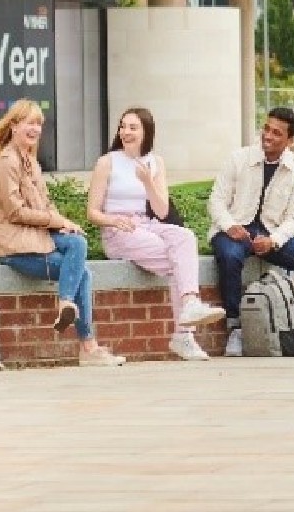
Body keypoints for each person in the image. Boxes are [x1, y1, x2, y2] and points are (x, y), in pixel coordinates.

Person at [0, 99, 123, 366]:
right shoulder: (6, 164)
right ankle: (87, 344)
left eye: (39, 124)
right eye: (30, 123)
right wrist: (54, 220)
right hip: (15, 247)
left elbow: (46, 205)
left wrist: (64, 222)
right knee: (82, 273)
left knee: (78, 242)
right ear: (14, 126)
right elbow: (15, 213)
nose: (36, 129)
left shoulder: (30, 162)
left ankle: (70, 311)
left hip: (36, 238)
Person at [87, 107, 227, 361]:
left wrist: (147, 181)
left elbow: (162, 211)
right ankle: (184, 332)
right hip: (118, 232)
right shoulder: (107, 162)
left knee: (185, 237)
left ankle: (189, 308)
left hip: (147, 224)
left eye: (133, 127)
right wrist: (113, 220)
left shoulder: (155, 162)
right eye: (123, 126)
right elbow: (92, 213)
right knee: (178, 263)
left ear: (146, 132)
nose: (125, 132)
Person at [207, 106, 294, 357]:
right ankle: (235, 330)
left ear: (290, 140)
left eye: (277, 133)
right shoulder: (238, 159)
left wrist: (274, 240)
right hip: (235, 229)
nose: (267, 135)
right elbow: (216, 201)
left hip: (271, 232)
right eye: (266, 128)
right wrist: (229, 226)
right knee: (230, 257)